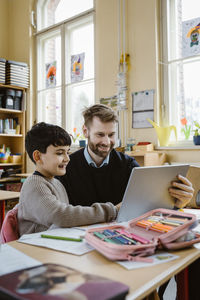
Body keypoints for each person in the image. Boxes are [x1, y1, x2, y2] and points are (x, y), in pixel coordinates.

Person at [58, 104, 194, 209]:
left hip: (120, 234)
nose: (106, 142)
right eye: (100, 135)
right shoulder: (66, 167)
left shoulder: (128, 165)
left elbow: (147, 206)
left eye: (111, 135)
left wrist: (177, 204)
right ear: (85, 132)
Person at [17, 122, 120, 236]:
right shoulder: (34, 184)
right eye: (60, 153)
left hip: (55, 245)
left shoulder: (56, 182)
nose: (67, 158)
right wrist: (112, 210)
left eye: (68, 152)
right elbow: (61, 216)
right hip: (35, 249)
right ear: (38, 156)